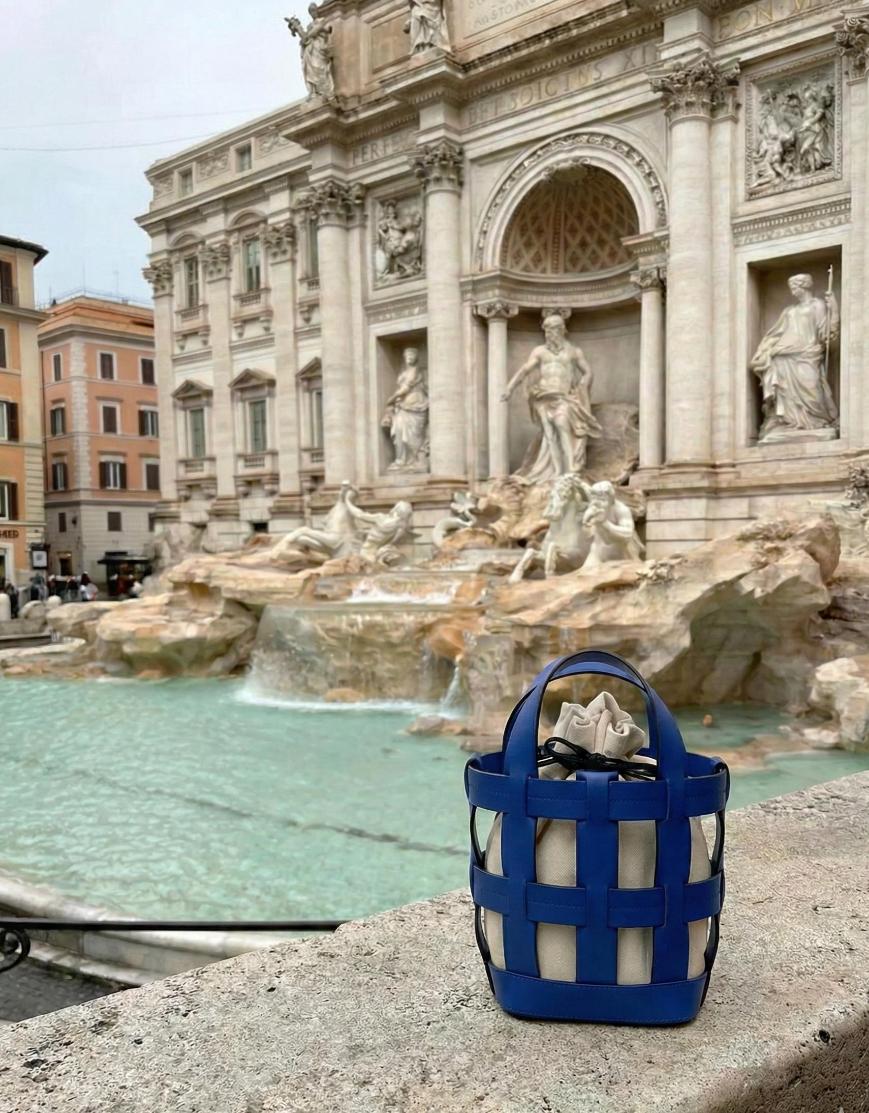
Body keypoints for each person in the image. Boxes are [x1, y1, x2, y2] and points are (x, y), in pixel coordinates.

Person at [502, 314, 602, 481]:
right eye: (547, 330)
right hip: (543, 396)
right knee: (549, 435)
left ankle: (571, 468)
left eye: (553, 329)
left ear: (562, 329)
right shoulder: (539, 351)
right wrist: (509, 388)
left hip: (563, 397)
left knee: (562, 424)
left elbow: (588, 371)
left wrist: (583, 385)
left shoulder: (573, 351)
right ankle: (557, 471)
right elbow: (525, 370)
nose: (549, 334)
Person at [750, 272, 839, 440]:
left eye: (794, 287)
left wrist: (833, 310)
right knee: (785, 391)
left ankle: (816, 420)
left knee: (812, 387)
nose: (792, 292)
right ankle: (789, 422)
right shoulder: (789, 311)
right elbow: (776, 333)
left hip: (808, 353)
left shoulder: (817, 305)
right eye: (791, 288)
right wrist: (766, 349)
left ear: (804, 286)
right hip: (784, 354)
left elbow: (825, 333)